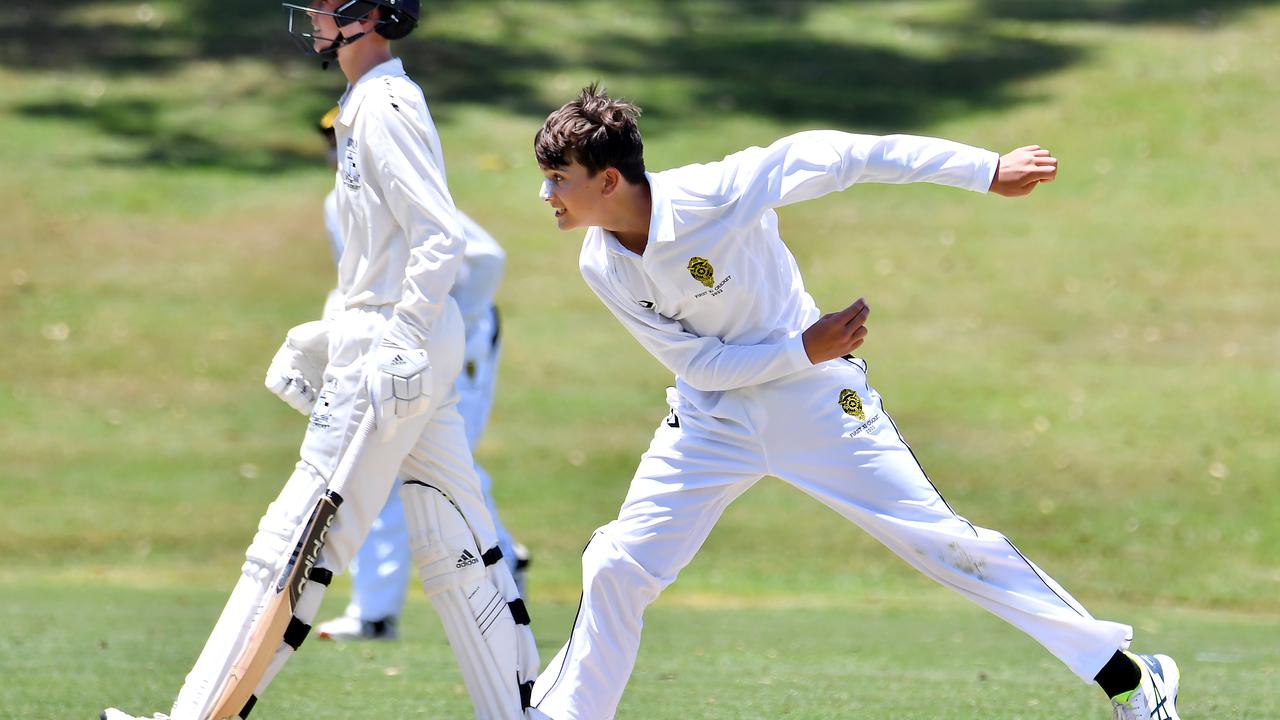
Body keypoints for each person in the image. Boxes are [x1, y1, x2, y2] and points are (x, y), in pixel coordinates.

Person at [527, 84, 1182, 720]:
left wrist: (987, 170)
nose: (546, 193)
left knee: (945, 546)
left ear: (609, 180)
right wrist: (801, 347)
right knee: (617, 562)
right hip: (712, 419)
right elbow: (697, 363)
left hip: (817, 404)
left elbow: (847, 155)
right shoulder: (601, 261)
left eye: (559, 178)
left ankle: (1131, 678)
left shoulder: (717, 191)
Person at [101, 2, 538, 718]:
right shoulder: (369, 100)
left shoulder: (386, 103)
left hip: (395, 347)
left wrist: (394, 337)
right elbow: (391, 255)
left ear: (372, 12)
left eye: (328, 3)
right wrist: (339, 331)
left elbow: (439, 238)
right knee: (458, 543)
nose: (310, 11)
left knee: (290, 549)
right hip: (396, 338)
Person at [289, 107, 530, 642]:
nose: (339, 154)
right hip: (394, 350)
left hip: (451, 346)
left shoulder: (395, 184)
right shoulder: (340, 202)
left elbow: (485, 257)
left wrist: (446, 328)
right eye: (332, 144)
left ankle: (493, 568)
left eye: (345, 142)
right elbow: (358, 285)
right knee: (387, 467)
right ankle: (382, 610)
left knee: (437, 466)